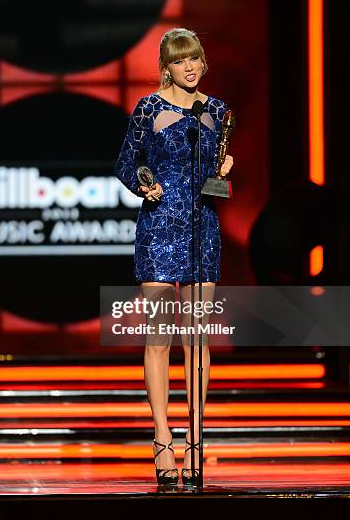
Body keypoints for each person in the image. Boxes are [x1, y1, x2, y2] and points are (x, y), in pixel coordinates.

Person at [115, 27, 234, 487]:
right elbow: (126, 161)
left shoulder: (217, 111)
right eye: (181, 60)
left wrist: (225, 168)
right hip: (160, 228)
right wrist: (144, 181)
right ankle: (162, 435)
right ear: (166, 66)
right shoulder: (149, 108)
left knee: (198, 340)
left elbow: (217, 172)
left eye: (196, 59)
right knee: (161, 338)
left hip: (203, 229)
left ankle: (196, 437)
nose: (190, 67)